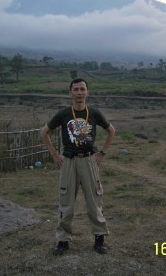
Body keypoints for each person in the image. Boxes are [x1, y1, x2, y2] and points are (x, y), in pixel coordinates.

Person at [40, 78, 115, 255]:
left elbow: (111, 131)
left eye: (82, 89)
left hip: (89, 160)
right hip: (69, 161)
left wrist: (102, 153)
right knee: (66, 202)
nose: (79, 93)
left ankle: (99, 239)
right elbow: (44, 133)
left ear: (87, 92)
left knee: (94, 201)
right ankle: (63, 241)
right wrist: (54, 155)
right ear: (70, 93)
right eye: (76, 90)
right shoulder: (64, 113)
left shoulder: (94, 113)